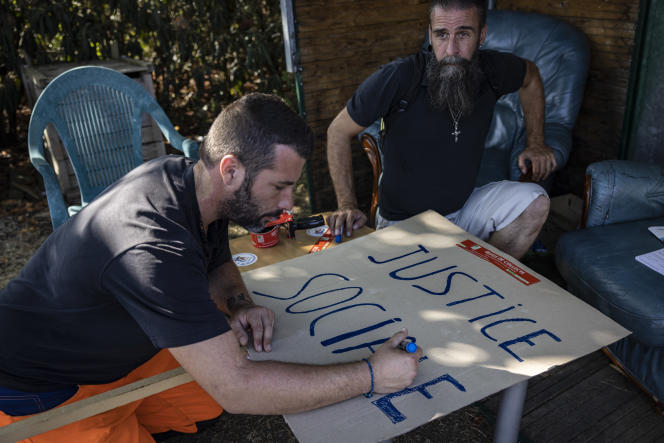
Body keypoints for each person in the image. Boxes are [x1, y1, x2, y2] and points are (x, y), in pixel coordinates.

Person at [0, 93, 422, 442]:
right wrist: (371, 375)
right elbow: (238, 387)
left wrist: (238, 303)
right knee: (228, 387)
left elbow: (217, 258)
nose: (289, 205)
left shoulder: (190, 185)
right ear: (231, 169)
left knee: (203, 404)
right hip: (41, 388)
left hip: (116, 351)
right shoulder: (153, 247)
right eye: (279, 187)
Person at [326, 0, 554, 260]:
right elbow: (338, 131)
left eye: (464, 34)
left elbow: (531, 77)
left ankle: (485, 277)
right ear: (431, 35)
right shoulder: (399, 77)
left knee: (534, 202)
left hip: (464, 209)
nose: (451, 49)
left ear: (482, 36)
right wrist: (346, 204)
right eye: (442, 35)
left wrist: (536, 142)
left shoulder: (492, 70)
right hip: (404, 224)